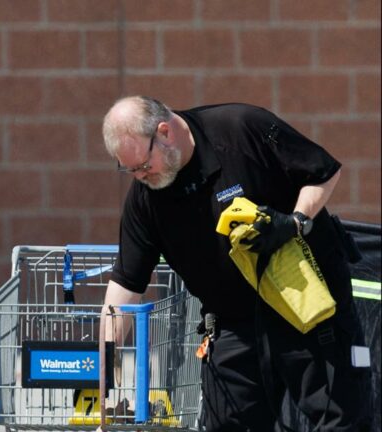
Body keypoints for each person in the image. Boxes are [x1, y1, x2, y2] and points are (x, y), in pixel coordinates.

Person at [98, 96, 371, 431]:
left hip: (306, 306)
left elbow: (323, 171)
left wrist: (294, 222)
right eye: (130, 170)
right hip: (234, 324)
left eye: (142, 165)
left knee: (339, 420)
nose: (140, 176)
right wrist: (105, 368)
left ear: (165, 132)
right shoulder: (146, 199)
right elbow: (126, 283)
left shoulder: (241, 129)